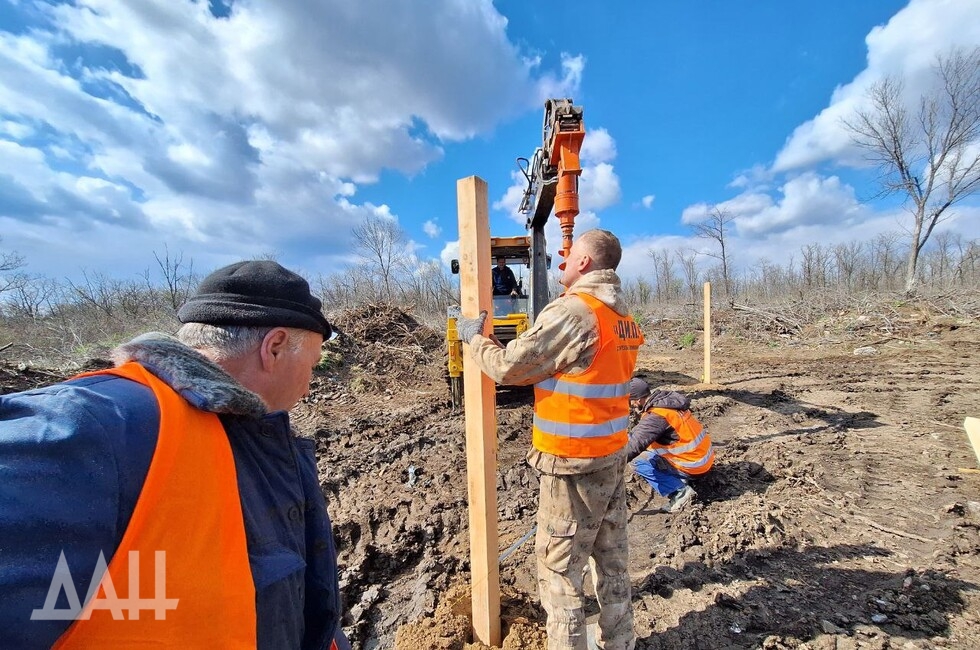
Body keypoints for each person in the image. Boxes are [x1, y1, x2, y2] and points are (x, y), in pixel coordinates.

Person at [0, 260, 350, 650]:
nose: (309, 385)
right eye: (313, 365)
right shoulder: (94, 425)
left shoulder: (253, 440)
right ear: (275, 347)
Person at [456, 229, 643, 650]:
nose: (562, 264)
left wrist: (473, 339)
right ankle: (620, 642)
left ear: (584, 264)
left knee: (559, 575)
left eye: (569, 256)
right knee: (612, 564)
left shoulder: (575, 312)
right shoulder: (623, 317)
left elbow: (509, 368)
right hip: (610, 457)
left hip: (572, 463)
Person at [625, 378, 714, 513]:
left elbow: (633, 447)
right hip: (702, 459)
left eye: (629, 401)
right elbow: (639, 435)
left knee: (639, 462)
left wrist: (610, 464)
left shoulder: (656, 417)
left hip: (693, 466)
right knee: (645, 446)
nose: (629, 405)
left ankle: (681, 493)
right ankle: (680, 479)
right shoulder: (667, 405)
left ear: (637, 400)